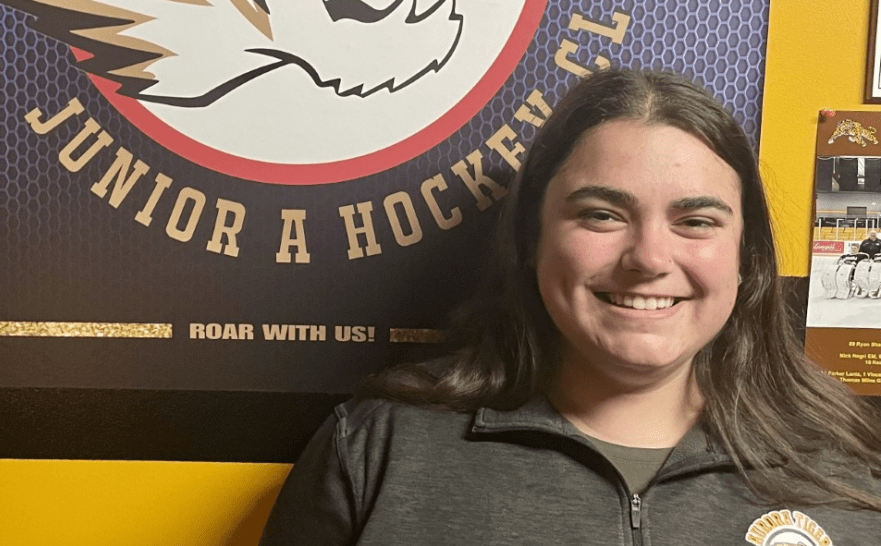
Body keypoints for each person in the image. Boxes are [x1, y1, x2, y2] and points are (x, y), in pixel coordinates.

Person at [260, 70, 881, 545]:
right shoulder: (376, 450)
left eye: (695, 220)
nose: (648, 258)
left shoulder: (848, 473)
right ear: (533, 239)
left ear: (745, 257)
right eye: (602, 215)